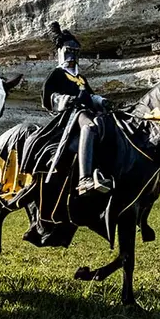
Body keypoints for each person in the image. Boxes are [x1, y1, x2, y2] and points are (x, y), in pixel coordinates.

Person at [41, 21, 112, 195]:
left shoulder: (81, 77)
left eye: (75, 52)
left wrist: (101, 101)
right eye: (68, 52)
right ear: (61, 52)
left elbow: (90, 95)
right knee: (89, 126)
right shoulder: (57, 74)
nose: (72, 56)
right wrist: (68, 99)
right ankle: (85, 179)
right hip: (71, 116)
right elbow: (49, 97)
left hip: (88, 112)